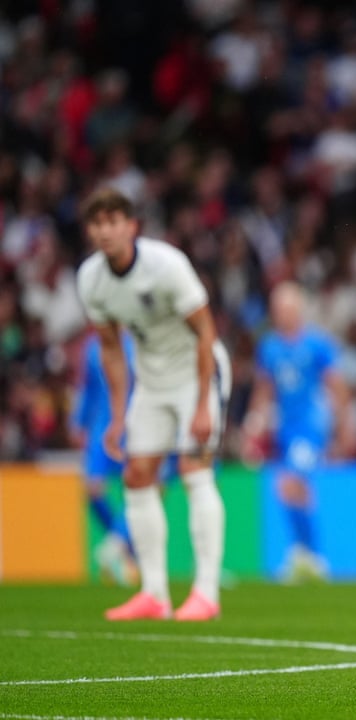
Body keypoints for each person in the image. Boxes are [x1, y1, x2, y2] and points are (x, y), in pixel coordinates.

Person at [75, 186, 231, 621]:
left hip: (198, 373)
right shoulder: (91, 279)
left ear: (132, 226)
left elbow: (206, 332)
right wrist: (117, 415)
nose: (105, 231)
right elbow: (110, 348)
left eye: (113, 222)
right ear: (89, 231)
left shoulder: (166, 266)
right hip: (152, 380)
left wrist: (203, 405)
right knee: (137, 475)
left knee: (194, 470)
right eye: (97, 223)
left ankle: (206, 594)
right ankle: (154, 594)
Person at [242, 281, 356, 582]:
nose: (283, 314)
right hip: (285, 426)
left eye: (288, 308)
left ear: (299, 310)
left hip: (311, 424)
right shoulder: (269, 347)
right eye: (278, 309)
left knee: (290, 484)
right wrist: (254, 424)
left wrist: (344, 425)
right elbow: (264, 389)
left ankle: (309, 555)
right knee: (294, 490)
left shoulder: (317, 344)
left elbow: (337, 386)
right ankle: (307, 554)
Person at [73, 329, 138, 585]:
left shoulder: (137, 343)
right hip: (101, 427)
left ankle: (117, 546)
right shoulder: (92, 347)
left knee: (137, 488)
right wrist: (79, 422)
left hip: (134, 424)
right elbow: (88, 388)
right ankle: (120, 544)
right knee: (92, 490)